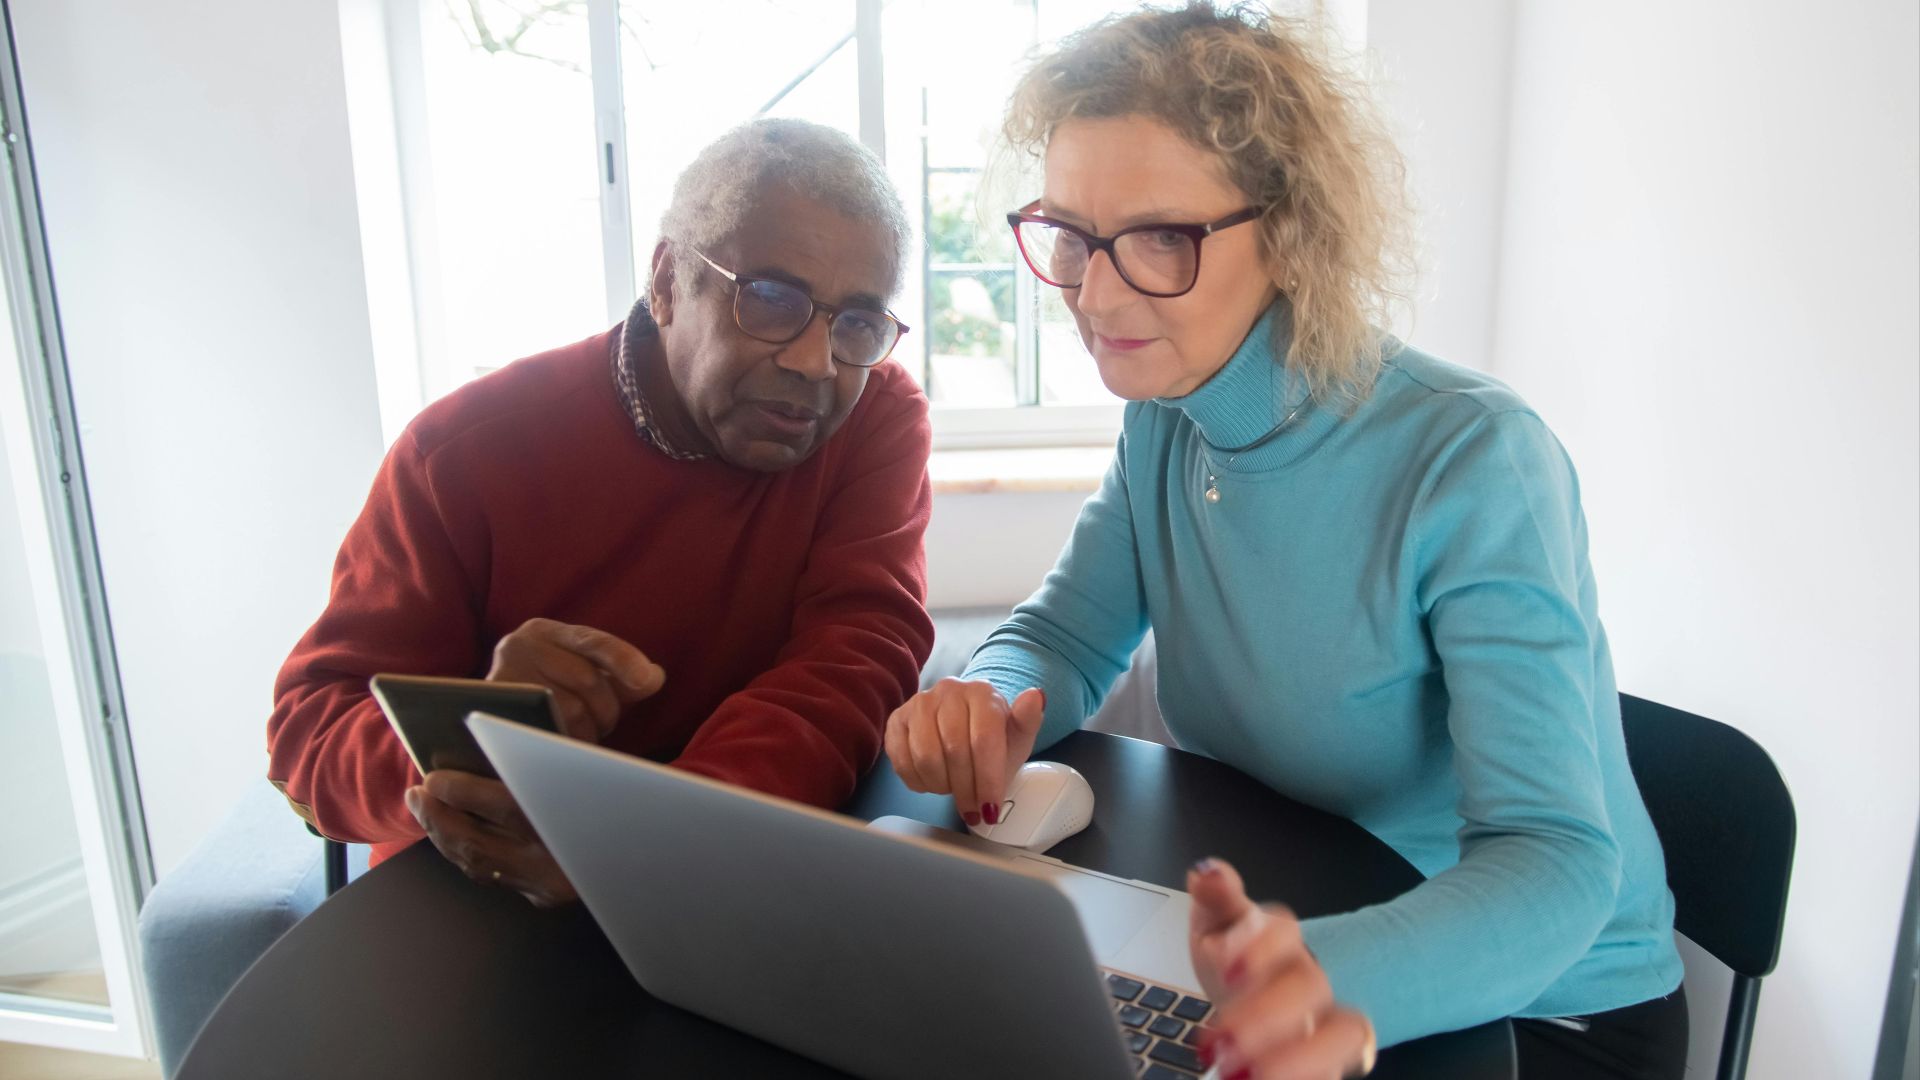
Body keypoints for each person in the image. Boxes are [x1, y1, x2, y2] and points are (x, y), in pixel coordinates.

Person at [883, 5, 1687, 1078]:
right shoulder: (1166, 413)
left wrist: (1327, 976)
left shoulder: (1473, 457)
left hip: (1542, 1013)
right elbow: (1068, 639)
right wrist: (988, 699)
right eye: (1070, 236)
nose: (1093, 292)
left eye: (1161, 238)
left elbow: (1556, 864)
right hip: (1282, 937)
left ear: (1293, 233)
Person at [268, 118, 935, 908]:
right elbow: (307, 738)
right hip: (483, 902)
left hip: (718, 859)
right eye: (770, 299)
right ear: (665, 283)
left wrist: (646, 843)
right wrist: (469, 736)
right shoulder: (464, 454)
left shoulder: (875, 415)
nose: (814, 362)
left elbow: (857, 655)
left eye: (857, 321)